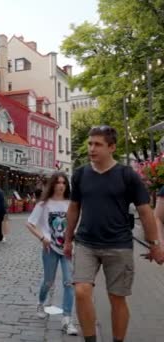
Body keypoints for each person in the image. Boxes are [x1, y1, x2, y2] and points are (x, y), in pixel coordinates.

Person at [64, 125, 164, 342]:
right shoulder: (80, 174)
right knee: (81, 291)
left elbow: (145, 212)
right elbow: (74, 208)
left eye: (98, 144)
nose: (92, 148)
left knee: (117, 298)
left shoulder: (127, 175)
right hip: (86, 243)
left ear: (112, 147)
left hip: (119, 245)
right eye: (90, 143)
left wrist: (155, 244)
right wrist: (68, 239)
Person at [26, 172, 78, 335]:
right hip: (50, 248)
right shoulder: (44, 204)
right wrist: (42, 238)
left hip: (68, 248)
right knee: (48, 282)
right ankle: (41, 303)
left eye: (64, 183)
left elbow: (78, 224)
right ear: (53, 185)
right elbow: (29, 223)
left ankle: (67, 319)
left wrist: (74, 240)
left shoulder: (72, 203)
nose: (61, 185)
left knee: (69, 282)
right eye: (58, 182)